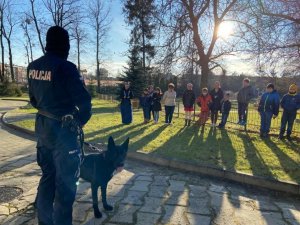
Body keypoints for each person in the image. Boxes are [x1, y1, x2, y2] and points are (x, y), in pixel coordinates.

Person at [27, 26, 92, 225]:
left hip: (44, 131)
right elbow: (85, 103)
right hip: (65, 135)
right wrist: (78, 123)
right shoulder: (66, 68)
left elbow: (34, 101)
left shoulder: (33, 66)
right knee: (65, 186)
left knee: (47, 178)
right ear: (65, 44)